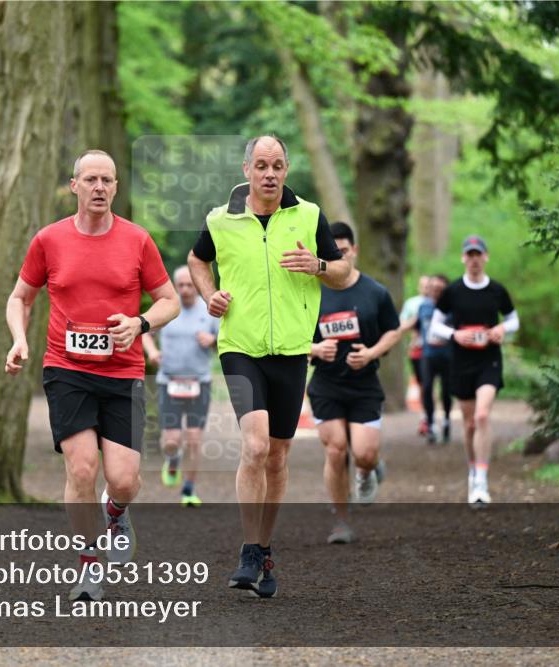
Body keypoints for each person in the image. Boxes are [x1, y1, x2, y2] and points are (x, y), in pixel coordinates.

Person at [4, 149, 179, 602]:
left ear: (116, 188)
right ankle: (88, 567)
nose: (100, 187)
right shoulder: (49, 240)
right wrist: (20, 339)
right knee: (81, 469)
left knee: (123, 479)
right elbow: (20, 297)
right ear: (74, 185)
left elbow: (170, 300)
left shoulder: (138, 240)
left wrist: (140, 324)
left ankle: (116, 511)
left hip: (124, 372)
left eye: (108, 180)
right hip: (67, 369)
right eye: (91, 179)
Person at [188, 135, 350, 597]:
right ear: (246, 170)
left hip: (292, 349)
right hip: (239, 345)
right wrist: (208, 295)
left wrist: (317, 263)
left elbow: (341, 273)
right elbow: (197, 261)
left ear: (287, 168)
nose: (270, 174)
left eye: (277, 165)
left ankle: (264, 546)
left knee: (279, 455)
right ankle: (247, 547)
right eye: (261, 165)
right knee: (256, 446)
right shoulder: (221, 220)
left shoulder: (310, 216)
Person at [307, 223, 401, 544]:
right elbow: (290, 338)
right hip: (326, 383)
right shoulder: (311, 292)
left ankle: (367, 469)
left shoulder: (375, 292)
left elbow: (393, 330)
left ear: (354, 251)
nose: (339, 257)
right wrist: (316, 348)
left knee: (363, 453)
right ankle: (341, 522)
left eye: (343, 251)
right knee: (335, 449)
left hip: (364, 385)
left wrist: (372, 352)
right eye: (331, 253)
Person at [429, 236, 519, 507]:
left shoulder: (497, 290)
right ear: (463, 258)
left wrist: (502, 329)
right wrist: (455, 335)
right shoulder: (453, 291)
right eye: (469, 255)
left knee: (482, 416)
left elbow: (514, 319)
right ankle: (473, 470)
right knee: (469, 424)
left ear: (486, 257)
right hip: (461, 362)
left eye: (478, 254)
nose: (474, 259)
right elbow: (435, 326)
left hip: (489, 360)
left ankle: (481, 479)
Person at [141, 266, 219, 507]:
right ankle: (173, 459)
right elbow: (144, 331)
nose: (185, 290)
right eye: (181, 285)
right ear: (175, 286)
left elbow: (225, 342)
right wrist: (153, 352)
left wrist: (213, 340)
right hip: (169, 382)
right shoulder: (168, 310)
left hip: (199, 382)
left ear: (196, 285)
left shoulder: (209, 313)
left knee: (194, 439)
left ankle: (189, 489)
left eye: (190, 285)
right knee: (172, 440)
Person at [418, 274, 453, 444]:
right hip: (428, 355)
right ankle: (430, 424)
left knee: (446, 390)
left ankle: (446, 420)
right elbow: (417, 326)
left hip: (447, 356)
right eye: (433, 289)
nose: (436, 292)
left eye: (440, 290)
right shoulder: (423, 306)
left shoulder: (452, 307)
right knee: (427, 388)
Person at [400, 275, 430, 437]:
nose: (426, 288)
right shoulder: (412, 303)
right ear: (419, 286)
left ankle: (432, 417)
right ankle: (426, 417)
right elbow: (401, 326)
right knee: (423, 385)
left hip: (436, 351)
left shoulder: (439, 302)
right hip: (418, 350)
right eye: (423, 285)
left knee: (430, 384)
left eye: (428, 285)